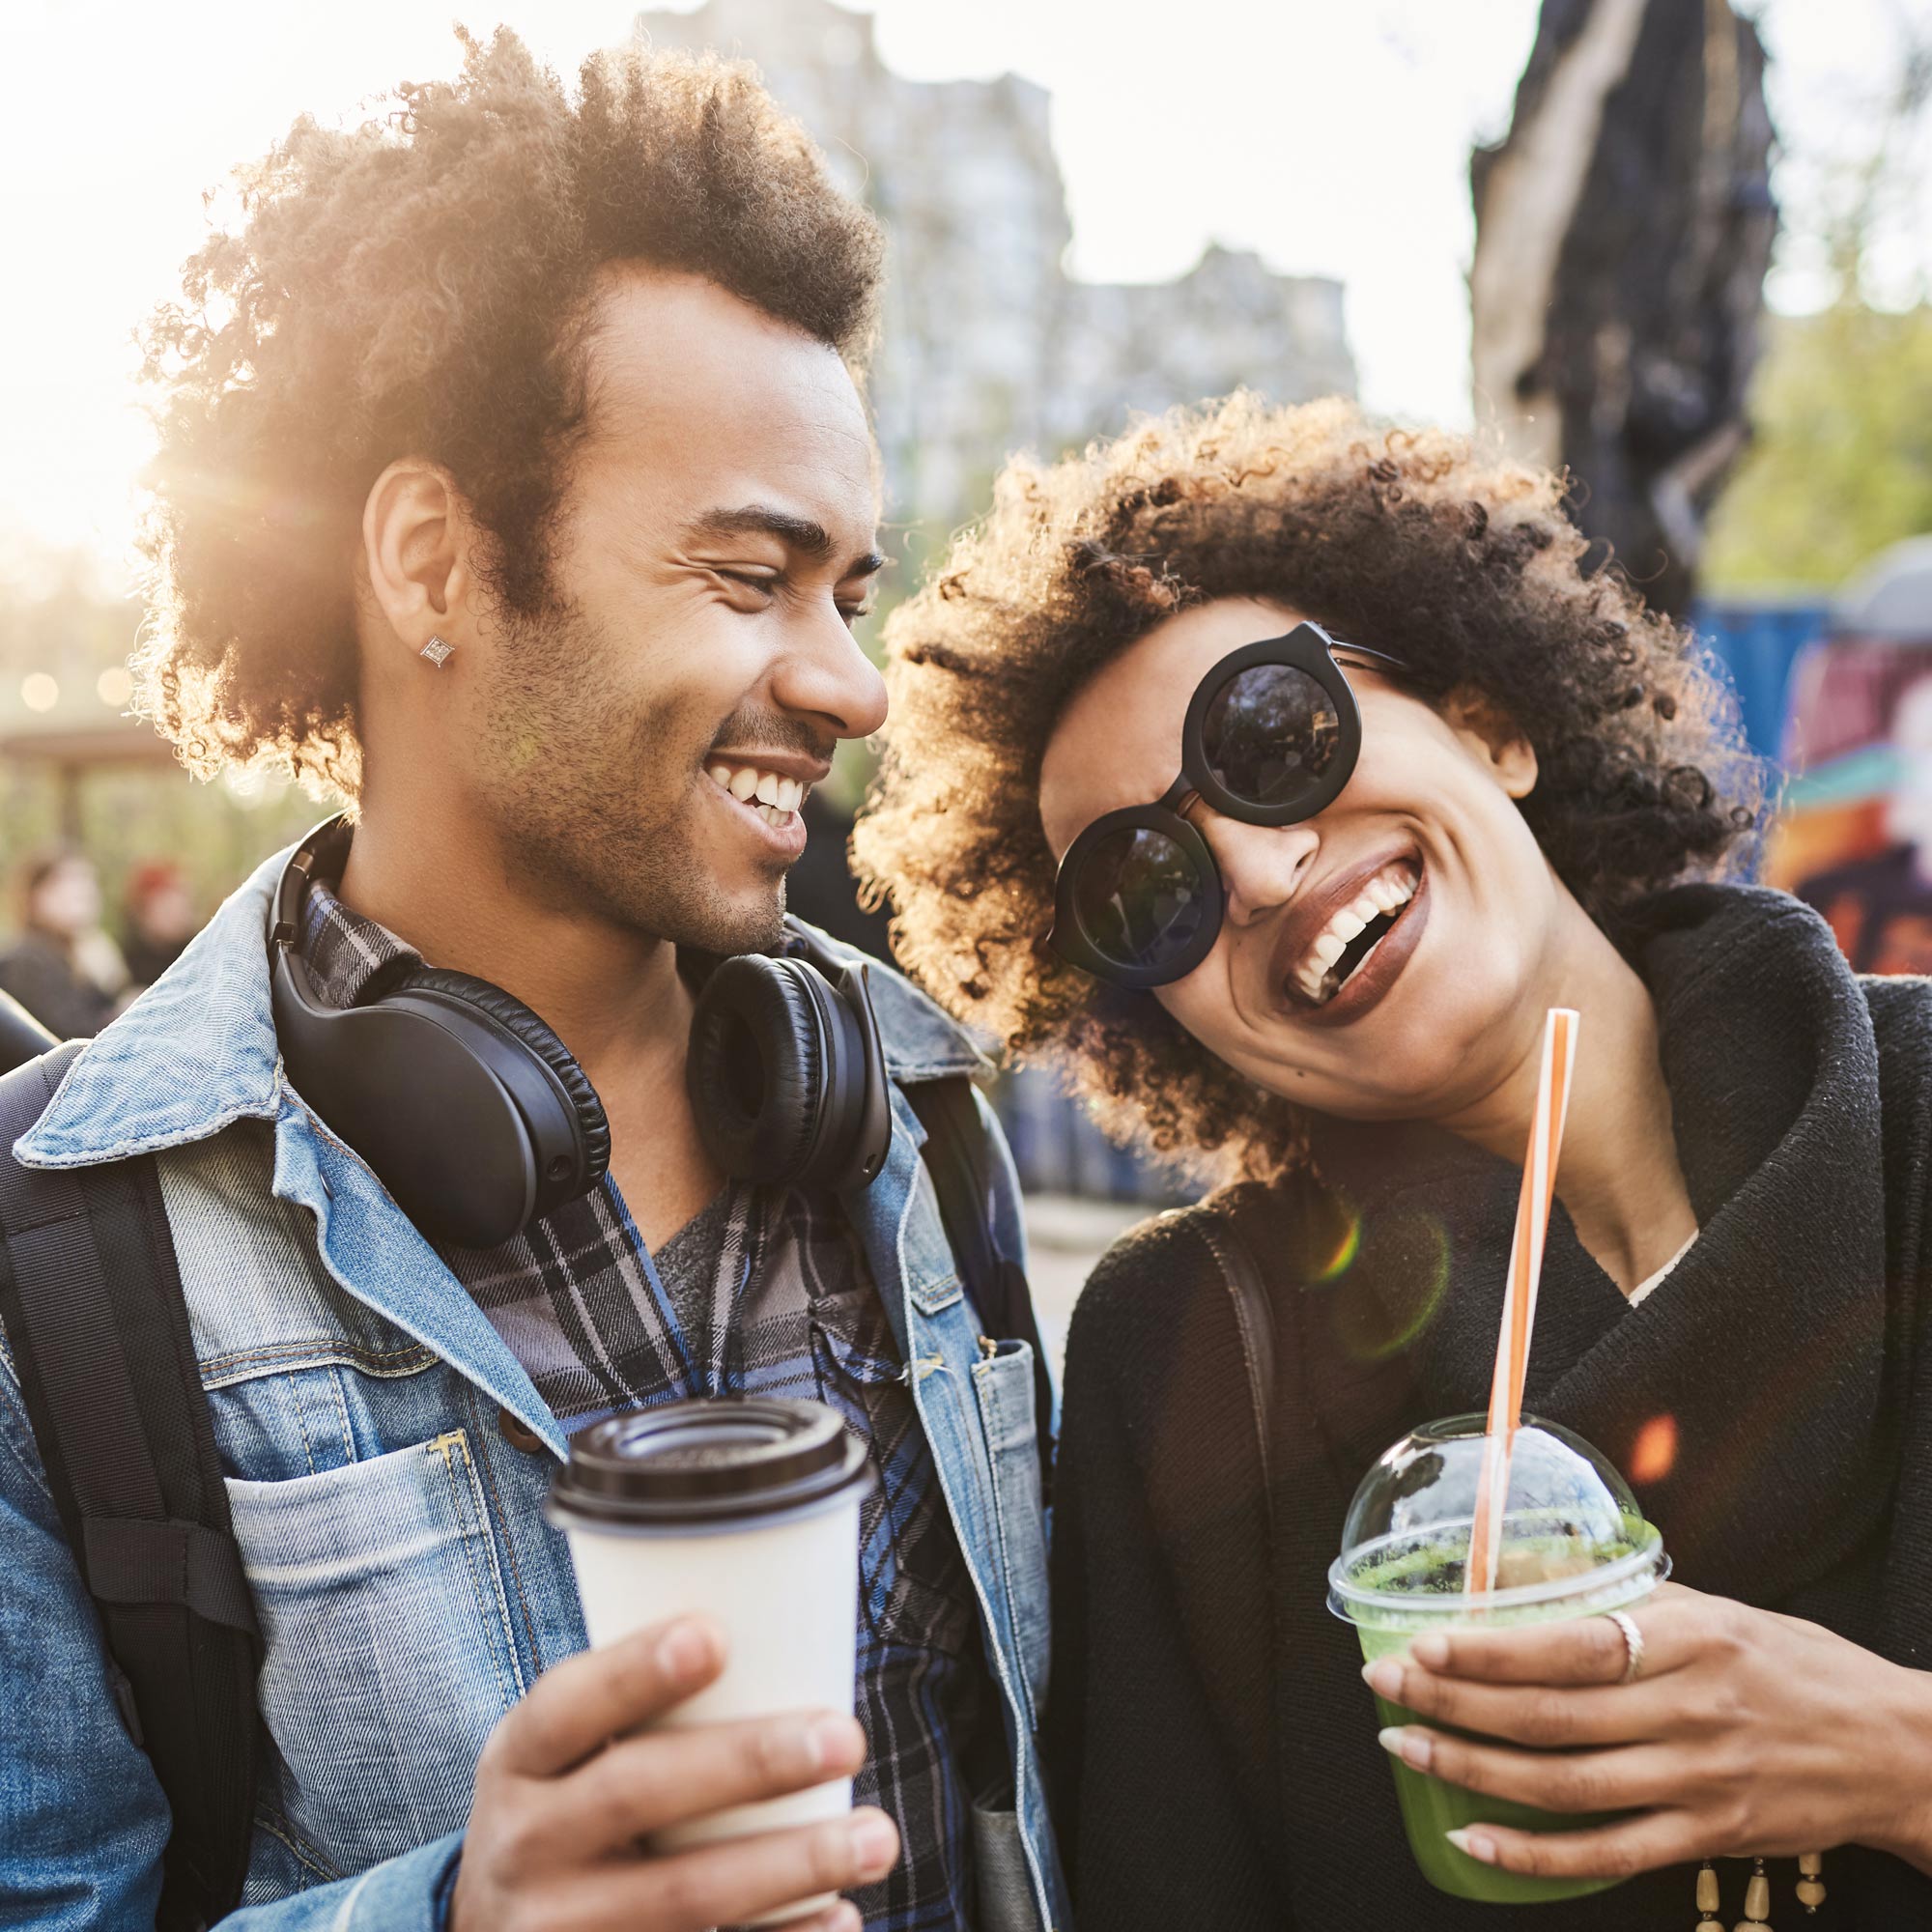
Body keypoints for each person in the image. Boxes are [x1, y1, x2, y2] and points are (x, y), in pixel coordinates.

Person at [0, 36, 1064, 1932]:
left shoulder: (915, 1110)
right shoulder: (58, 1249)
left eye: (850, 587)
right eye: (750, 576)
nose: (850, 683)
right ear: (434, 559)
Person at [855, 392, 1932, 1927]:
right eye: (1144, 887)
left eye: (1272, 736)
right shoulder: (1196, 1363)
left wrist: (1899, 1760)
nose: (1259, 866)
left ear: (1489, 719)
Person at [0, 851, 128, 1038]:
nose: (84, 891)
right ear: (36, 896)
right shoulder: (26, 960)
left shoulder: (79, 954)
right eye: (68, 882)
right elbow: (70, 1037)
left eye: (87, 881)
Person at [120, 859, 200, 989]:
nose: (177, 914)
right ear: (143, 911)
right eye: (166, 907)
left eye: (181, 905)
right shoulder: (124, 962)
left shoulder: (198, 952)